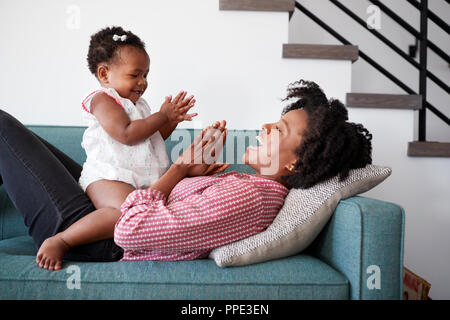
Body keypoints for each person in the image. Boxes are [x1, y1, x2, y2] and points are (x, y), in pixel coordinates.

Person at [0, 80, 372, 269]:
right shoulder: (250, 185)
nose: (265, 126)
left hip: (98, 239)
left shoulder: (253, 198)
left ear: (297, 163)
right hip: (104, 219)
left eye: (279, 130)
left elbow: (132, 229)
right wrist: (190, 171)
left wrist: (178, 170)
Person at [34, 26, 198, 269]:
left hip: (136, 180)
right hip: (107, 176)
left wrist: (170, 121)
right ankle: (61, 240)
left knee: (145, 214)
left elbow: (150, 139)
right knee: (123, 214)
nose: (143, 82)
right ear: (104, 73)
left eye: (146, 75)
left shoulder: (139, 104)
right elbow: (126, 134)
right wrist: (161, 115)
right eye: (135, 75)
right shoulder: (102, 100)